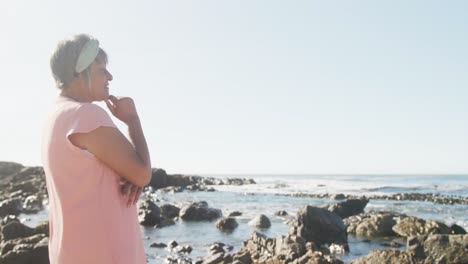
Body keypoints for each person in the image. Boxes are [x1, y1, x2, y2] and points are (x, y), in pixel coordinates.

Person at [42, 34, 151, 264]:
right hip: (104, 253)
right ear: (79, 72)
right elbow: (142, 173)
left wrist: (128, 173)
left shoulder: (56, 116)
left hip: (72, 252)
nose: (110, 77)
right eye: (101, 69)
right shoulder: (86, 114)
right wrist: (132, 119)